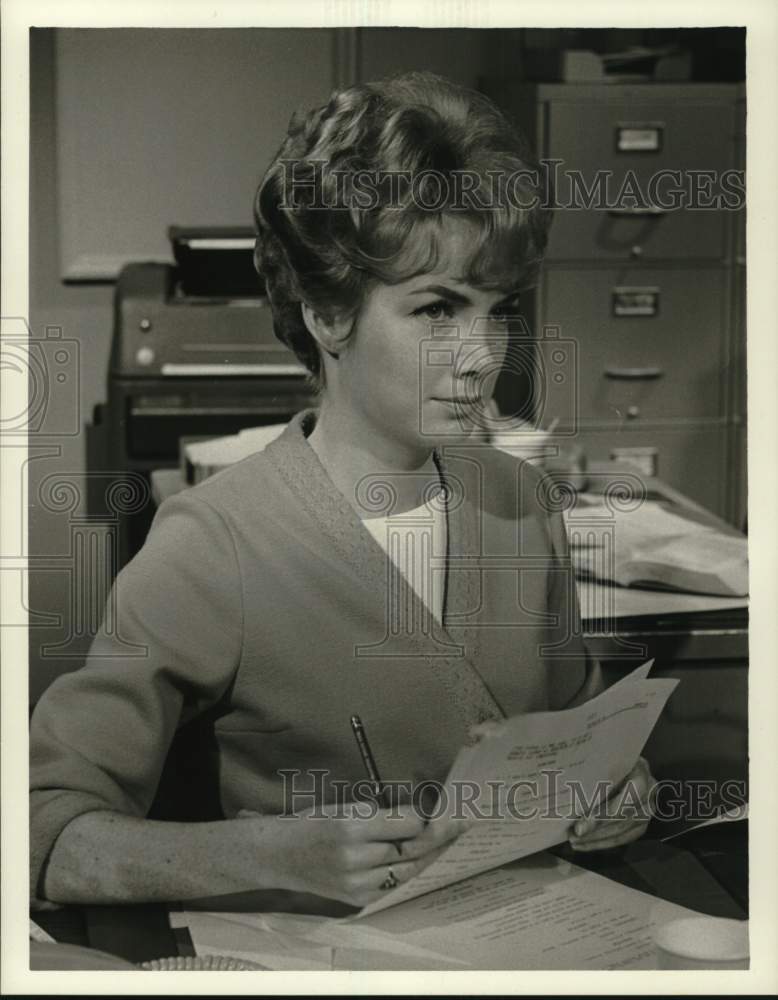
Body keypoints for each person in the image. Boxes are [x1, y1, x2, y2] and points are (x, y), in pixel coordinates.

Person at [30, 71, 655, 911]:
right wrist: (262, 853)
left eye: (497, 309)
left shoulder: (521, 501)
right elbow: (45, 829)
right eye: (437, 309)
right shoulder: (213, 543)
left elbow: (582, 732)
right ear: (328, 315)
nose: (482, 354)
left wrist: (618, 785)